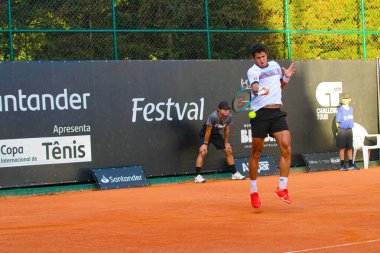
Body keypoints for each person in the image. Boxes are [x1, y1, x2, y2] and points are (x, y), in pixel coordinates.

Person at [246, 43, 296, 208]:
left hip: (276, 113)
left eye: (263, 56)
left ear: (267, 55)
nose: (261, 60)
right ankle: (254, 191)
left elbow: (279, 87)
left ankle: (282, 188)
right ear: (254, 59)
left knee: (286, 146)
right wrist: (260, 90)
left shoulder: (275, 66)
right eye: (258, 58)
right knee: (256, 152)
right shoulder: (253, 71)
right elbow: (254, 88)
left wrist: (286, 77)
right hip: (260, 114)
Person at [194, 101, 246, 183]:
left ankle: (234, 173)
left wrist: (226, 143)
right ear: (219, 110)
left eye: (228, 109)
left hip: (215, 135)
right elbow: (208, 131)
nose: (227, 111)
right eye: (225, 110)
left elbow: (227, 130)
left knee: (228, 151)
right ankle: (197, 176)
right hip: (205, 134)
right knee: (203, 152)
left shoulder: (229, 116)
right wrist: (205, 144)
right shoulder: (213, 116)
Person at [336, 93, 360, 171]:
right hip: (342, 130)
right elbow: (337, 122)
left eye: (346, 98)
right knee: (342, 148)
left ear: (350, 99)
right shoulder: (340, 109)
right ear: (342, 100)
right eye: (343, 98)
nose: (345, 100)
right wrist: (339, 130)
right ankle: (342, 165)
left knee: (350, 147)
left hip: (349, 130)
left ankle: (350, 164)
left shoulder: (351, 108)